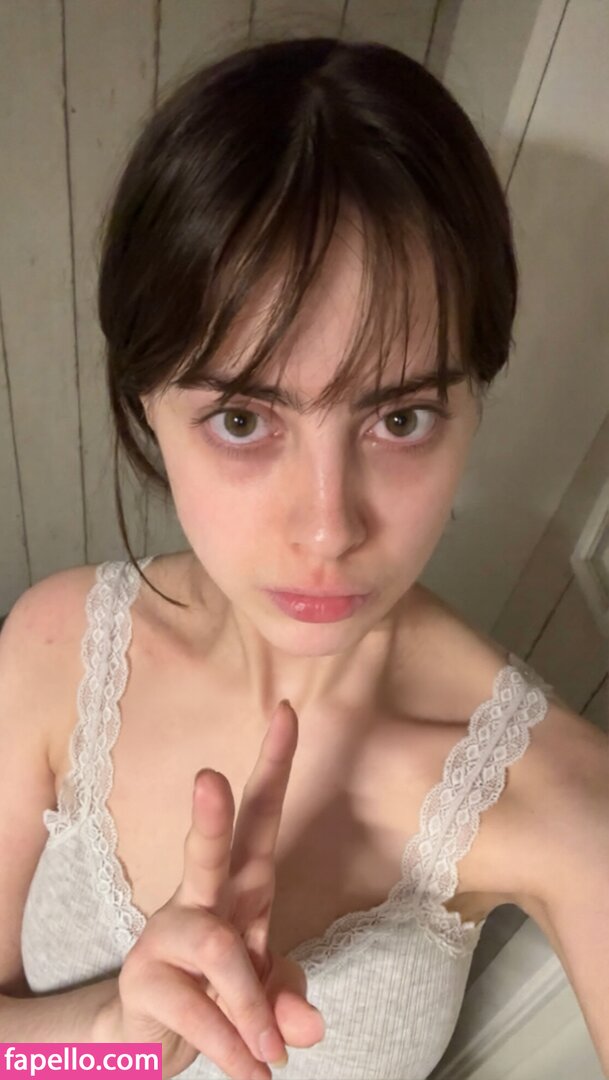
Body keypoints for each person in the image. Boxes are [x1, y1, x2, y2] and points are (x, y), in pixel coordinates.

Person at [1, 35, 607, 1080]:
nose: (328, 529)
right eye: (244, 419)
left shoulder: (558, 797)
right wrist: (111, 1042)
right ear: (147, 407)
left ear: (473, 402)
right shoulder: (54, 650)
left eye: (400, 418)